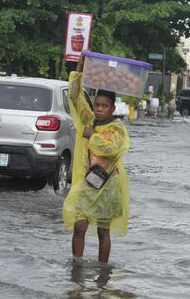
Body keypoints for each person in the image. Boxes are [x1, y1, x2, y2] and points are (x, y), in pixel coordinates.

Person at [63, 61, 131, 264]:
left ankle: (102, 271)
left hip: (109, 185)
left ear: (112, 108)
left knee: (103, 231)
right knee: (79, 225)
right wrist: (80, 69)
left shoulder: (117, 128)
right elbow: (75, 97)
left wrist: (93, 137)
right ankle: (76, 263)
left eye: (104, 106)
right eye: (98, 105)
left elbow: (113, 149)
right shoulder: (89, 119)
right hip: (89, 182)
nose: (100, 109)